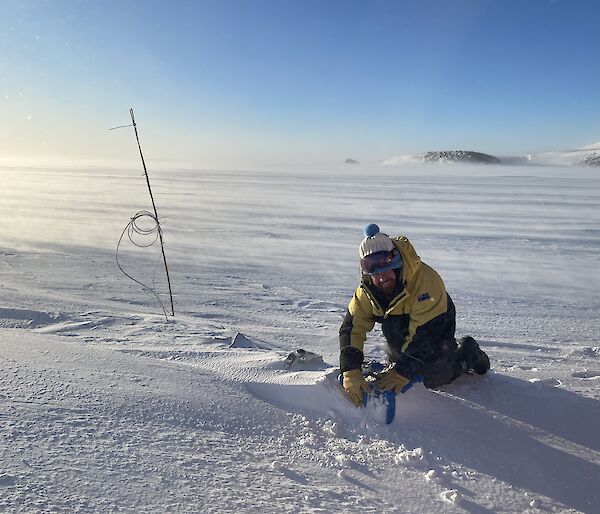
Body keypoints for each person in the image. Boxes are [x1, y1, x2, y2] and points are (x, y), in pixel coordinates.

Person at [339, 224, 490, 406]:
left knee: (430, 376)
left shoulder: (426, 282)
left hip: (436, 317)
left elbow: (426, 335)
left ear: (395, 260)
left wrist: (404, 372)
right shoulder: (367, 291)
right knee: (399, 357)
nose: (381, 278)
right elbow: (353, 327)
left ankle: (467, 353)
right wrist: (350, 370)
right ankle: (402, 359)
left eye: (385, 268)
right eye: (374, 272)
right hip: (398, 321)